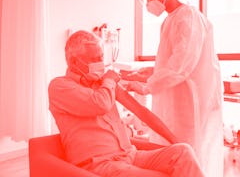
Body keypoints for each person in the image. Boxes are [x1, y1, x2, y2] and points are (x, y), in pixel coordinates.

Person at [48, 30, 205, 177]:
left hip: (131, 154)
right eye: (94, 59)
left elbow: (141, 111)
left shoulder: (102, 84)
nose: (101, 64)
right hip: (100, 163)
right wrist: (109, 80)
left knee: (183, 152)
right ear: (74, 62)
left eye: (101, 58)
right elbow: (100, 104)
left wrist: (175, 140)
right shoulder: (60, 86)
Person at [122, 0, 224, 177]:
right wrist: (142, 74)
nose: (149, 1)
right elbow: (169, 63)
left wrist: (146, 86)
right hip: (176, 101)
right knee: (174, 152)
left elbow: (181, 65)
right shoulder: (170, 20)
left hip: (192, 102)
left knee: (191, 153)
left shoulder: (189, 17)